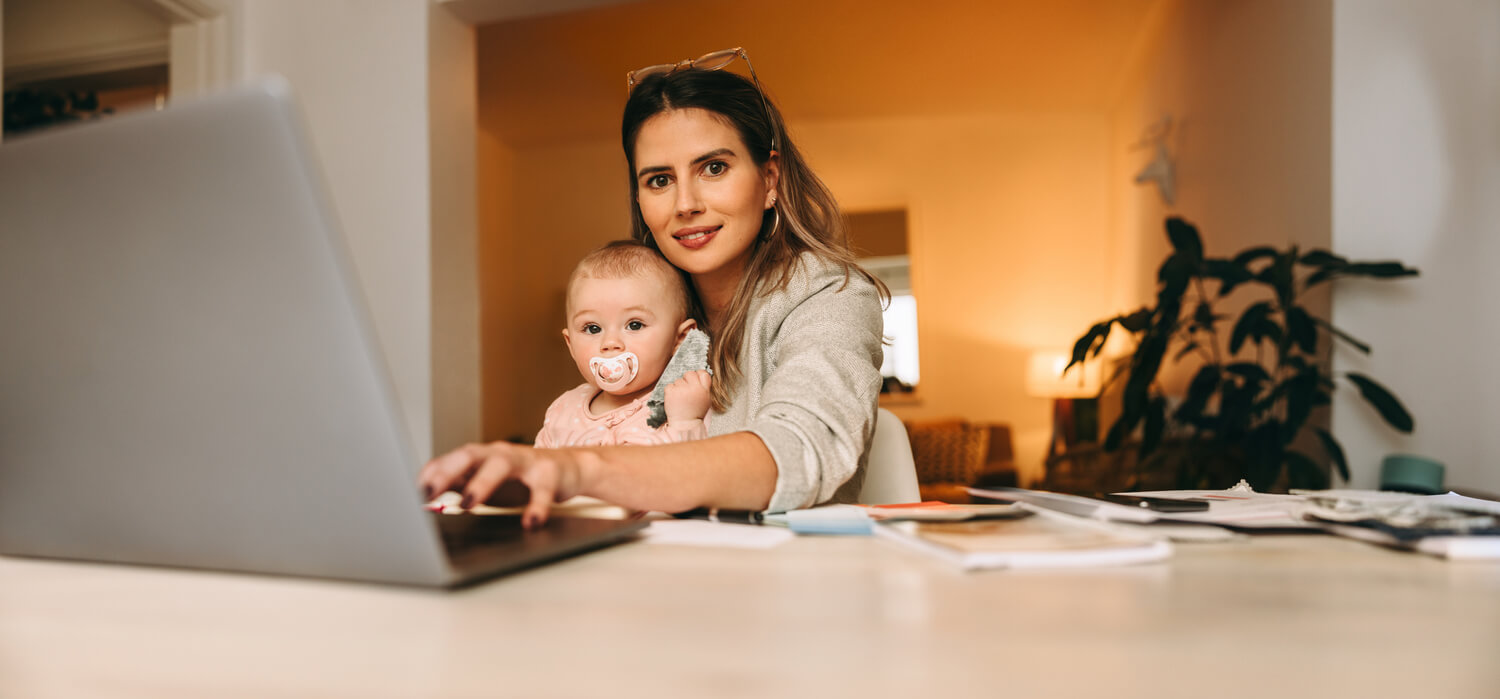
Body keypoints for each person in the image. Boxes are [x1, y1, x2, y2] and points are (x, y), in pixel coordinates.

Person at [420, 48, 887, 527]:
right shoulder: (646, 309)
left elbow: (798, 450)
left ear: (769, 179)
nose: (685, 203)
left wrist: (577, 469)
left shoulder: (832, 298)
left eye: (713, 168)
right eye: (660, 179)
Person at [536, 239, 712, 448]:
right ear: (570, 344)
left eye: (635, 325)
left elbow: (689, 475)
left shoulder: (683, 404)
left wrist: (687, 423)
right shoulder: (563, 409)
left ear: (681, 338)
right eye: (592, 328)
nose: (610, 343)